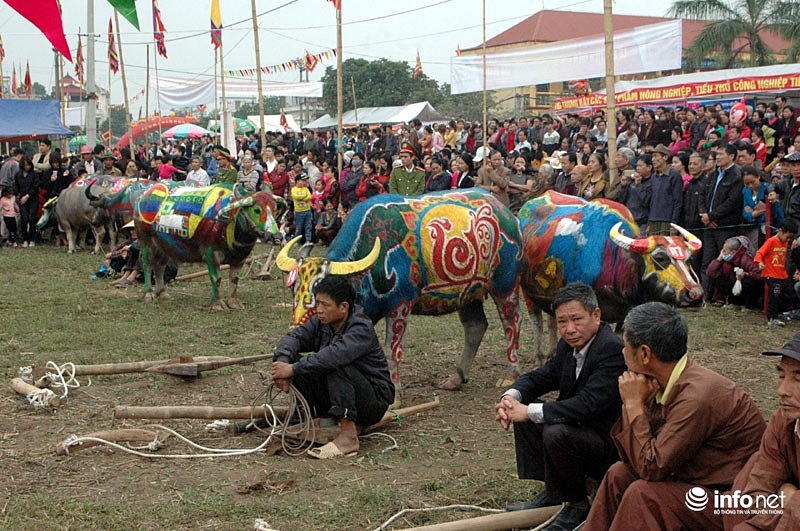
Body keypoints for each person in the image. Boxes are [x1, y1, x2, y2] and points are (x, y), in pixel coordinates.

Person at [583, 302, 766, 531]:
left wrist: (634, 405)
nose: (622, 352)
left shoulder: (697, 396)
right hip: (694, 482)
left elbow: (652, 468)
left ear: (644, 353)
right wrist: (636, 406)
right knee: (618, 475)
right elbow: (634, 460)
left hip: (730, 501)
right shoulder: (659, 382)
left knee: (645, 494)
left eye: (625, 346)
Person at [497, 282, 625, 531]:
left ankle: (578, 504)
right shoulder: (569, 345)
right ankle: (555, 491)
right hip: (580, 430)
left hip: (608, 445)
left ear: (596, 315)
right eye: (562, 322)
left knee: (550, 427)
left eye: (577, 319)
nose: (569, 329)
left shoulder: (611, 349)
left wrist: (529, 412)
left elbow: (586, 405)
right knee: (528, 411)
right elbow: (543, 376)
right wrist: (511, 398)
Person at [271, 275, 395, 459]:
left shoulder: (360, 328)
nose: (319, 310)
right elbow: (294, 337)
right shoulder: (322, 322)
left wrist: (293, 369)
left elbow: (333, 356)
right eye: (318, 303)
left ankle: (348, 436)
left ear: (343, 307)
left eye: (325, 305)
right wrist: (283, 363)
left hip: (372, 401)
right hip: (343, 393)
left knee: (332, 364)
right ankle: (312, 417)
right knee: (298, 362)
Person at [723, 333, 800, 530]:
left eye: (798, 379)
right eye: (781, 375)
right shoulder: (782, 421)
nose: (782, 390)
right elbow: (755, 498)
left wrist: (790, 498)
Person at [701, 142, 745, 300]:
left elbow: (732, 202)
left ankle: (724, 297)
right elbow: (702, 195)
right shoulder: (713, 174)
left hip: (725, 226)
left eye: (720, 154)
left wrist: (712, 216)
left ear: (731, 156)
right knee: (707, 261)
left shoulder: (737, 175)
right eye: (716, 155)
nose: (717, 157)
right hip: (708, 225)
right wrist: (704, 215)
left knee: (726, 263)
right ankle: (705, 296)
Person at [755, 219, 799, 327]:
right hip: (771, 275)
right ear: (780, 231)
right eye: (787, 237)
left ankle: (781, 312)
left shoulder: (785, 243)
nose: (788, 240)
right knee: (774, 296)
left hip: (782, 274)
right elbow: (760, 253)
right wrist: (760, 263)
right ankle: (772, 318)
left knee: (790, 294)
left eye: (790, 238)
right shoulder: (771, 241)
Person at [291, 174, 313, 244]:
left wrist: (302, 198)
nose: (304, 182)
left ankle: (308, 240)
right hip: (299, 211)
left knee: (308, 226)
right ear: (297, 181)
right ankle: (297, 241)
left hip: (307, 210)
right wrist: (304, 197)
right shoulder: (294, 189)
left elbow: (309, 197)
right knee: (298, 228)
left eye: (305, 180)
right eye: (302, 180)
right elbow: (296, 197)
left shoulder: (306, 189)